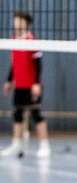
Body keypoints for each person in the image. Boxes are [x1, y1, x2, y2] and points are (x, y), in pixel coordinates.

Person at [1, 11, 50, 158]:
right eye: (16, 21)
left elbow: (38, 64)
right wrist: (9, 81)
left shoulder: (31, 40)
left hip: (31, 85)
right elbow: (14, 64)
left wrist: (36, 83)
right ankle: (16, 145)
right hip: (19, 85)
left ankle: (45, 146)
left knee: (36, 114)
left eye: (20, 21)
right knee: (17, 114)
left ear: (26, 23)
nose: (17, 23)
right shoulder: (13, 39)